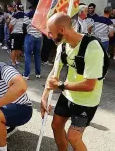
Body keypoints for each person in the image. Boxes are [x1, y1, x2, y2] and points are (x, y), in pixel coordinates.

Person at [41, 12, 105, 151]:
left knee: (74, 137)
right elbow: (54, 73)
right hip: (67, 95)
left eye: (51, 32)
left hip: (87, 101)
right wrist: (44, 97)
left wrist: (61, 85)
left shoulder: (92, 47)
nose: (49, 36)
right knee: (56, 126)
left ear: (62, 30)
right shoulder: (62, 46)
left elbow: (89, 85)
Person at [23, 6, 43, 80]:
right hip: (39, 37)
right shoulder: (41, 18)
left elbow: (24, 25)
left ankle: (26, 75)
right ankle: (38, 73)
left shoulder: (28, 16)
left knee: (27, 55)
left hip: (30, 36)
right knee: (37, 55)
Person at [9, 3, 25, 67]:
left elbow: (10, 26)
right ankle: (17, 61)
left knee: (13, 49)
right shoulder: (25, 15)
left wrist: (10, 31)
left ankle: (13, 62)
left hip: (15, 34)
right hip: (21, 34)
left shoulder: (15, 15)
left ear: (16, 8)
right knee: (19, 48)